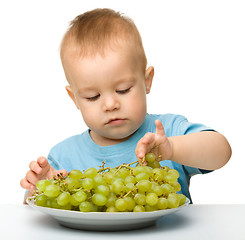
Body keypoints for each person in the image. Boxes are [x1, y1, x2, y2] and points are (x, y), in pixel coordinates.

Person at [20, 8, 232, 204]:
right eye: (93, 96)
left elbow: (222, 151)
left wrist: (173, 148)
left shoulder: (165, 132)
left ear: (147, 81)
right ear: (74, 98)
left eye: (123, 90)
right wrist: (38, 189)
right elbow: (34, 214)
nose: (111, 104)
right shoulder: (63, 155)